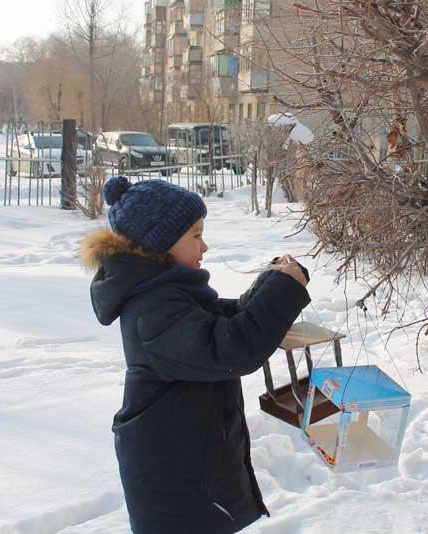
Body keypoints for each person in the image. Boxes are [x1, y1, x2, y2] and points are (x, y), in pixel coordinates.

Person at [80, 176, 310, 534]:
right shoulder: (155, 311)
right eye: (195, 236)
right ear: (160, 244)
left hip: (190, 467)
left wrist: (273, 281)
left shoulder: (165, 293)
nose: (205, 247)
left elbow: (222, 321)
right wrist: (284, 290)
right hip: (177, 482)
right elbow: (230, 349)